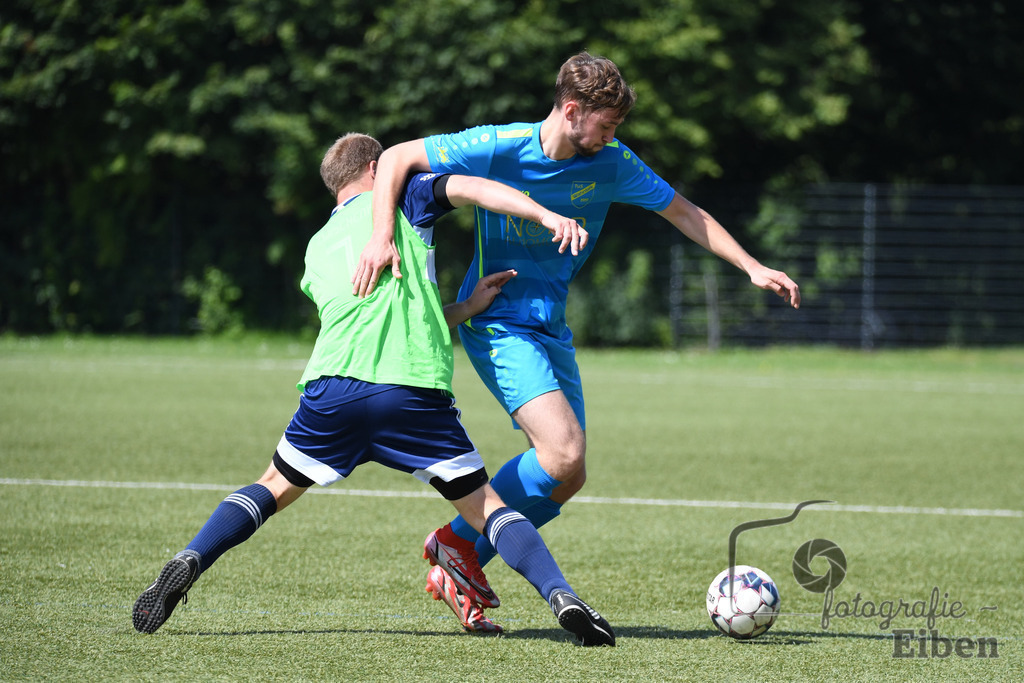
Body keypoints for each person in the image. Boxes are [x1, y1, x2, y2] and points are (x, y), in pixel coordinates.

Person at [352, 52, 801, 631]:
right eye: (608, 125)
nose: (615, 138)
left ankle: (455, 546)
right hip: (499, 319)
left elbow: (684, 212)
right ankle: (458, 544)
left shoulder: (611, 163)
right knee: (561, 452)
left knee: (569, 473)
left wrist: (751, 266)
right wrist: (380, 235)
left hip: (551, 327)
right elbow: (396, 157)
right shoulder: (501, 144)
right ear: (572, 111)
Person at [131, 133, 615, 646]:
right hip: (410, 393)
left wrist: (465, 308)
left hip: (333, 389)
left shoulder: (317, 246)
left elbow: (377, 317)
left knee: (271, 486)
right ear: (374, 169)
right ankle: (561, 595)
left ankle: (193, 556)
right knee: (487, 508)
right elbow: (476, 188)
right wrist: (546, 216)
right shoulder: (405, 197)